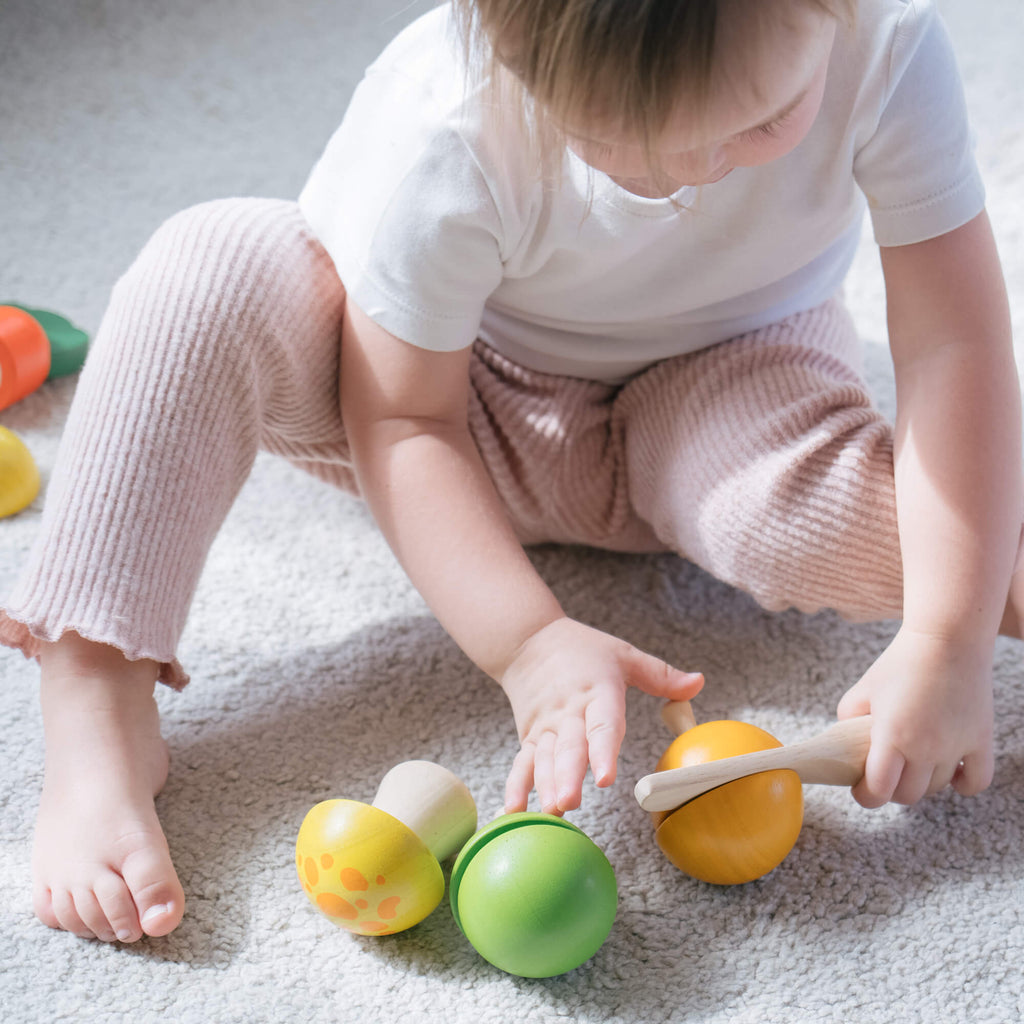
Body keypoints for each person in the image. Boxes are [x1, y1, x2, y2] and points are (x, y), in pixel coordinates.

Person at [2, 0, 1020, 946]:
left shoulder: (882, 46)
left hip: (734, 390)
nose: (693, 174)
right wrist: (529, 642)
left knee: (952, 532)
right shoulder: (446, 111)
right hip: (447, 400)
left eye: (758, 124)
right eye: (623, 144)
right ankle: (94, 687)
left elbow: (952, 347)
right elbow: (403, 418)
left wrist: (947, 635)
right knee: (209, 266)